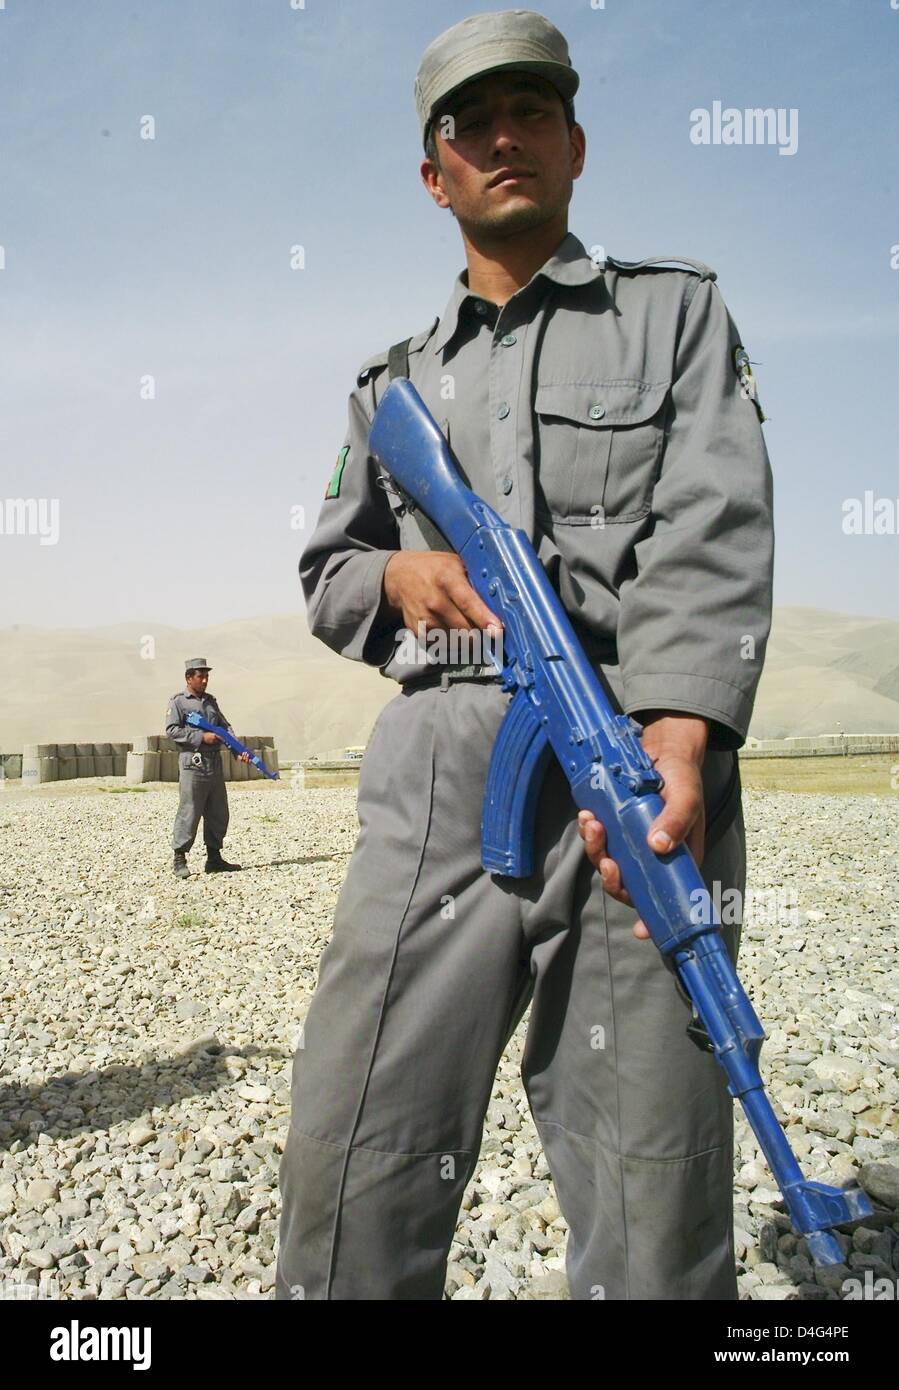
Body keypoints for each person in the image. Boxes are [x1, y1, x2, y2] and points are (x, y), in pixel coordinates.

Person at [276, 9, 774, 1301]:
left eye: (531, 112)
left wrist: (680, 728)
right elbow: (327, 573)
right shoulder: (388, 385)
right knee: (359, 1133)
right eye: (471, 124)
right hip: (441, 770)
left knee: (646, 1162)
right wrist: (398, 573)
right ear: (433, 173)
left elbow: (713, 528)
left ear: (575, 143)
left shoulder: (673, 315)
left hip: (631, 769)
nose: (505, 137)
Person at [165, 659, 249, 879]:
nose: (204, 680)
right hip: (193, 764)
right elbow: (172, 730)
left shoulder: (211, 702)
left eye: (206, 677)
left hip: (214, 763)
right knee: (190, 811)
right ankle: (180, 858)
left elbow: (224, 727)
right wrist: (202, 736)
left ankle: (214, 858)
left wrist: (236, 749)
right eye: (200, 676)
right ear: (188, 678)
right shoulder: (179, 702)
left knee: (217, 811)